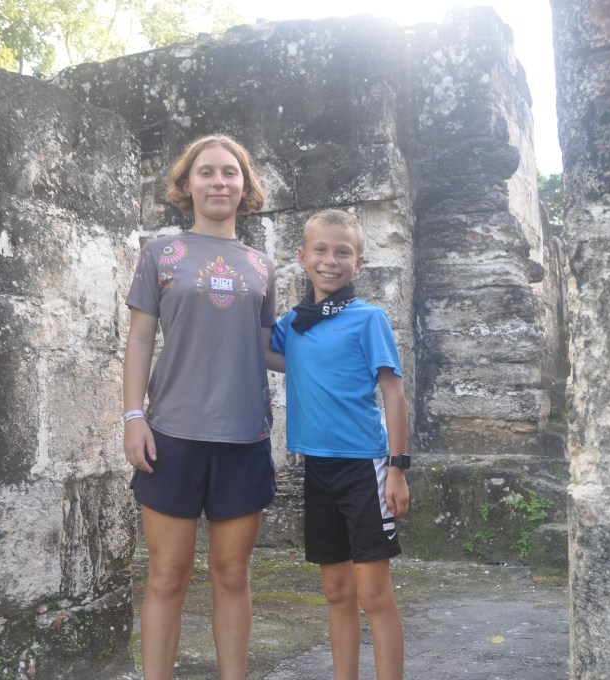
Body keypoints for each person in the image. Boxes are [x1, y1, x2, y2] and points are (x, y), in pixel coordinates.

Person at [122, 134, 277, 680]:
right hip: (172, 436)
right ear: (186, 185)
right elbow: (140, 339)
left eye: (230, 172)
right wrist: (133, 417)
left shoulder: (262, 265)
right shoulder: (159, 255)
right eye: (206, 172)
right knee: (168, 575)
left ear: (244, 185)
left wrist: (340, 356)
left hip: (244, 437)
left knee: (233, 576)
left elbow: (266, 348)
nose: (218, 181)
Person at [269, 208, 411, 680]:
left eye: (343, 252)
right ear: (302, 257)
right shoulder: (295, 323)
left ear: (359, 263)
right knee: (336, 591)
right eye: (321, 250)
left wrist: (397, 468)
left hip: (363, 468)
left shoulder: (368, 318)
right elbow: (261, 348)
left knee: (374, 594)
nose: (330, 261)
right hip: (317, 468)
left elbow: (393, 392)